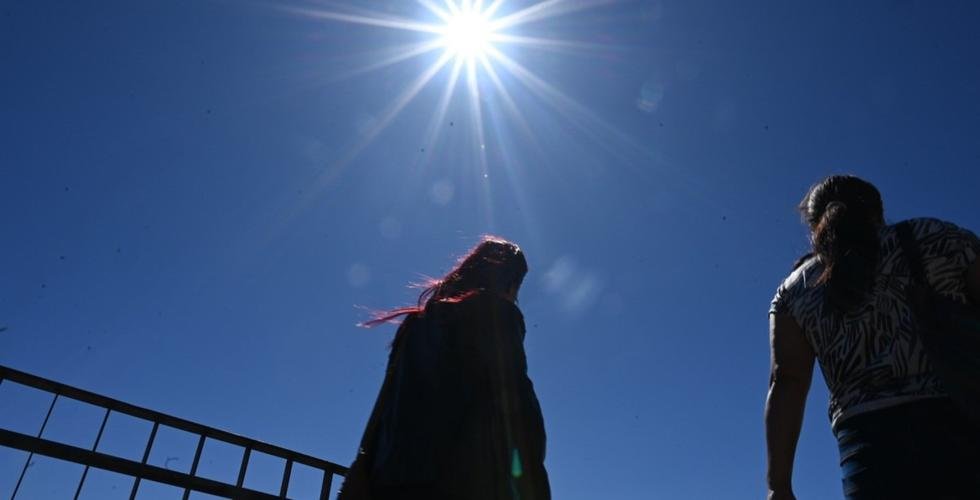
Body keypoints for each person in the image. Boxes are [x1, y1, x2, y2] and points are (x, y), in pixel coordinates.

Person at [765, 175, 980, 499]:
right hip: (960, 426)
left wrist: (778, 487)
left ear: (814, 228)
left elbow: (788, 382)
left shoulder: (795, 290)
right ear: (878, 212)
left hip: (868, 452)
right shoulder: (933, 237)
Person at [339, 236, 550, 500]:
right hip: (461, 483)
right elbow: (518, 411)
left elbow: (382, 413)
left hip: (391, 482)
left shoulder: (416, 325)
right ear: (509, 282)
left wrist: (360, 473)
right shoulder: (498, 317)